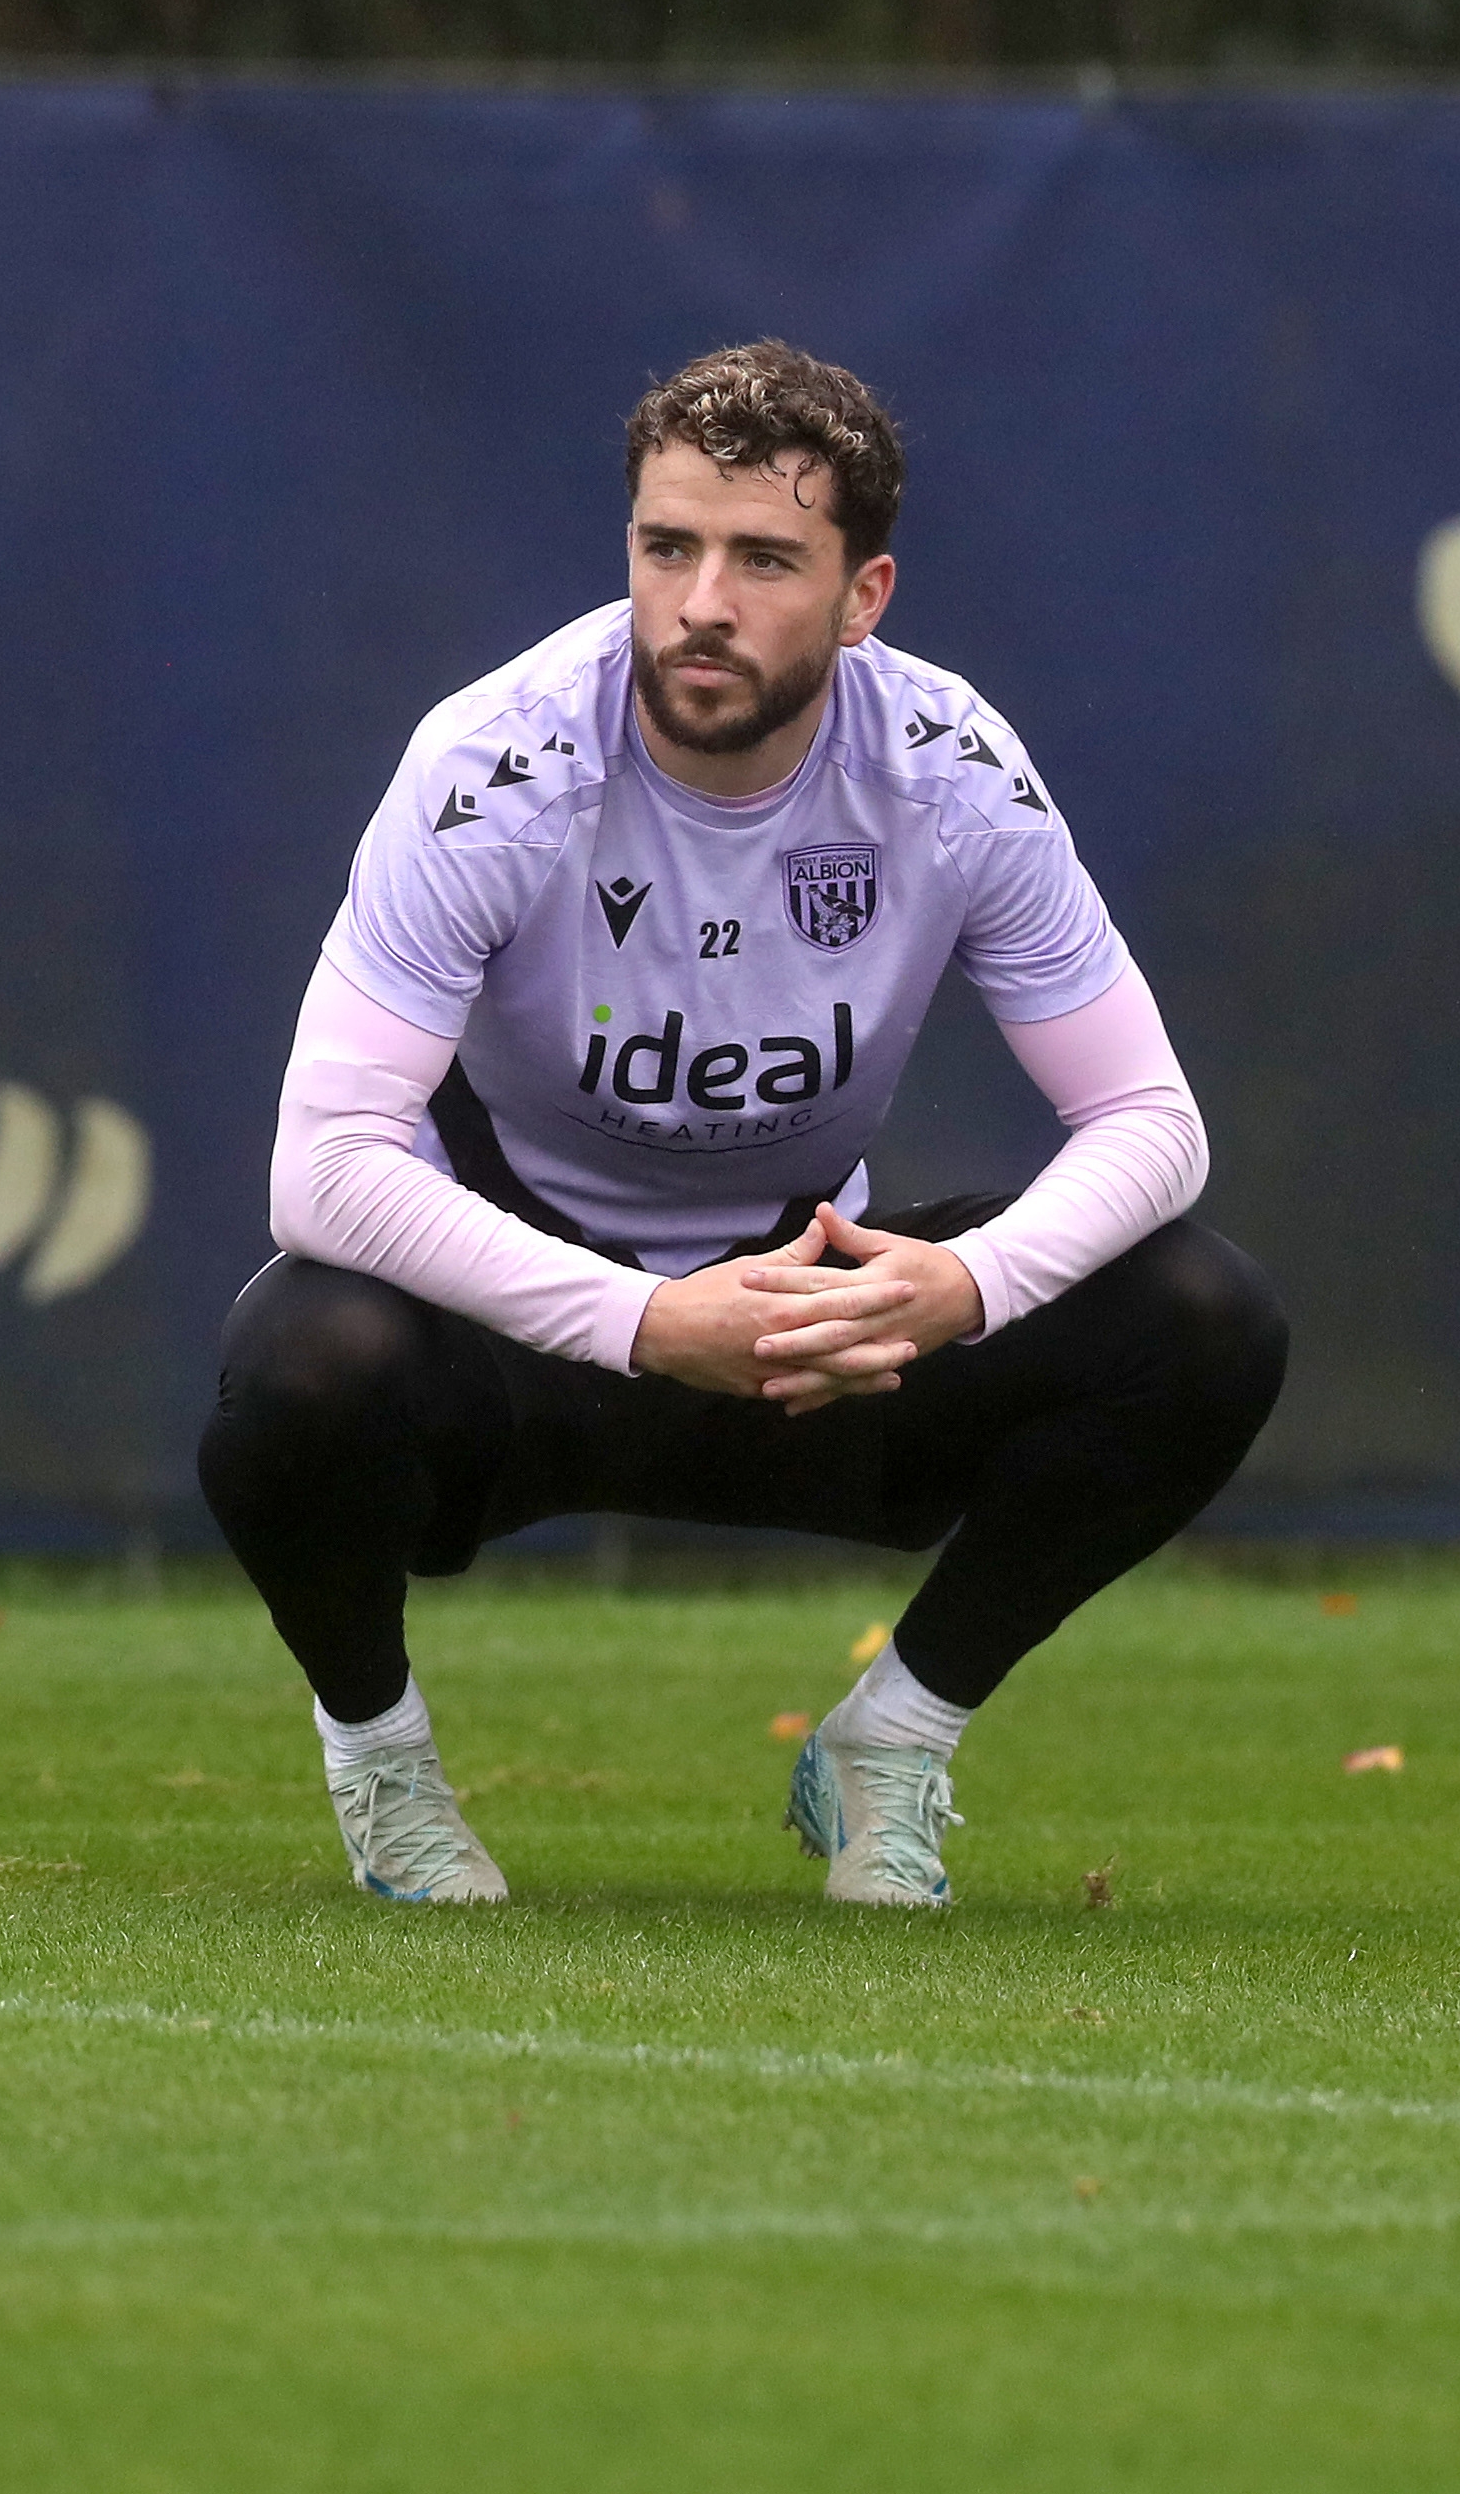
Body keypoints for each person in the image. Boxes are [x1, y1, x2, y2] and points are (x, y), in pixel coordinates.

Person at [197, 340, 1289, 1909]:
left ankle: (892, 1741)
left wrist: (962, 1286)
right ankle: (382, 1763)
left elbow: (1150, 1121)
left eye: (765, 557)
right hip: (530, 1343)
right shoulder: (492, 762)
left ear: (865, 595)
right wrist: (645, 1320)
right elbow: (325, 1165)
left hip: (807, 1325)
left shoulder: (949, 768)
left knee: (1208, 1316)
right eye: (667, 546)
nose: (702, 599)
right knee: (300, 1363)